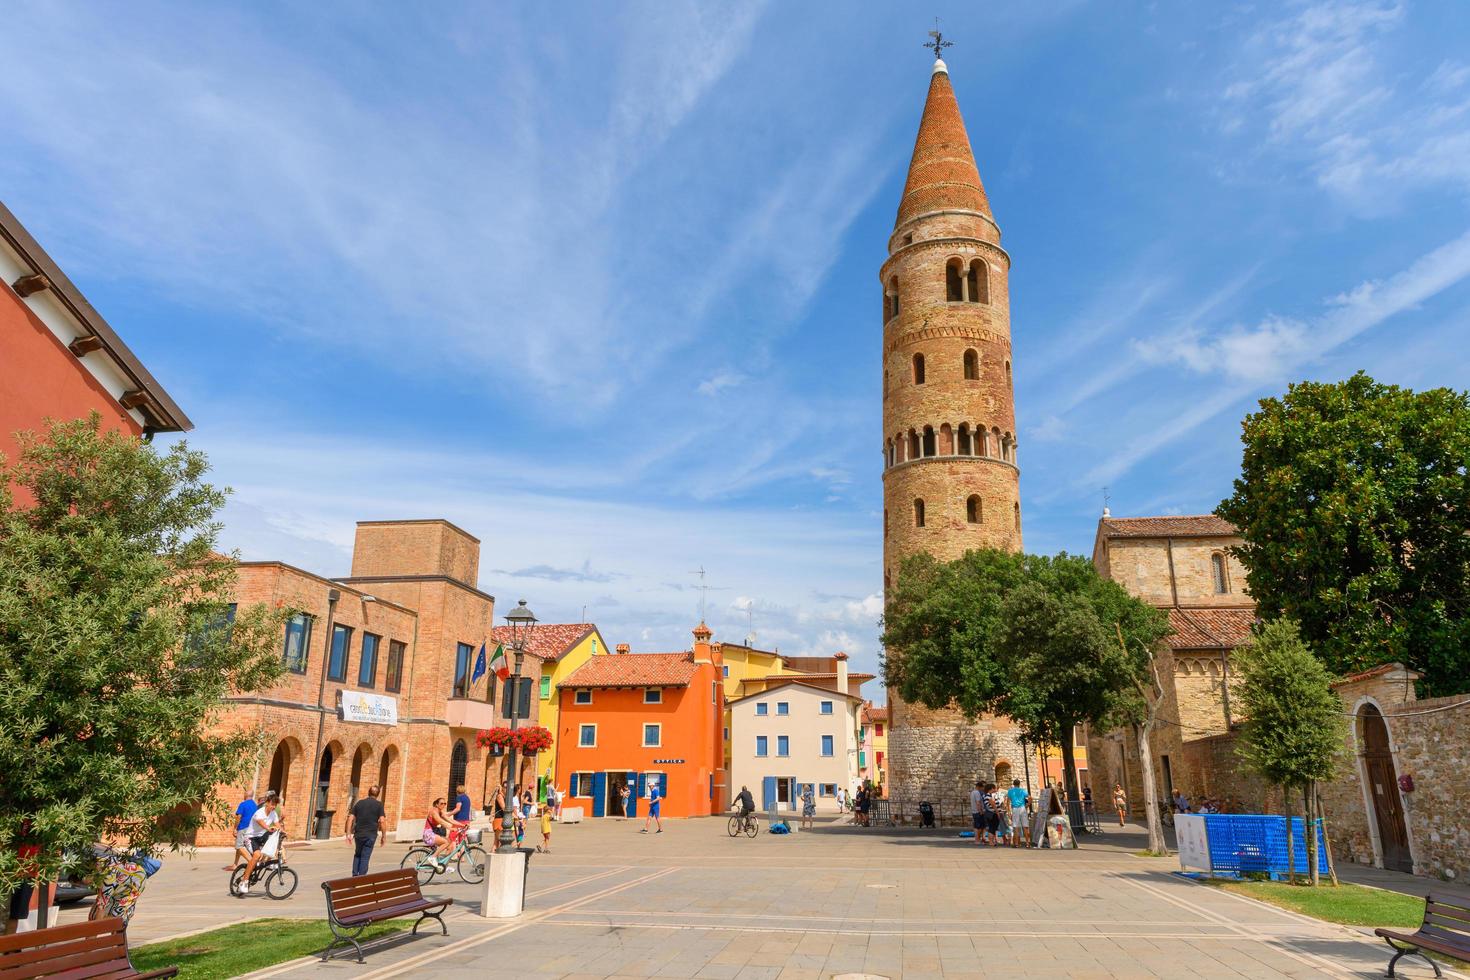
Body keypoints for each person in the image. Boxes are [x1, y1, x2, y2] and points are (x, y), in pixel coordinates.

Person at [235, 792, 281, 896]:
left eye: (275, 805)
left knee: (275, 840)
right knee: (256, 855)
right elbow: (261, 822)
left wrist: (282, 831)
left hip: (261, 837)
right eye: (272, 804)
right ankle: (244, 882)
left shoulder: (273, 813)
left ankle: (269, 862)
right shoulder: (259, 812)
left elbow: (278, 824)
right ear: (267, 803)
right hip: (251, 837)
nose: (273, 807)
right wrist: (269, 828)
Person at [346, 785, 387, 877]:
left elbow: (350, 818)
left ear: (368, 793)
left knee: (357, 854)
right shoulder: (379, 805)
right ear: (378, 794)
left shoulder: (359, 803)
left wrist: (348, 834)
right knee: (365, 857)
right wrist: (384, 836)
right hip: (371, 835)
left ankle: (355, 876)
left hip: (359, 834)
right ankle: (361, 878)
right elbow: (382, 821)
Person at [227, 793, 259, 871]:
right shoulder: (255, 805)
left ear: (245, 795)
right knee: (240, 845)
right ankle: (235, 864)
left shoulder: (243, 804)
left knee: (239, 846)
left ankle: (252, 862)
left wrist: (235, 828)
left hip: (243, 827)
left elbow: (239, 816)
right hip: (251, 828)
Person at [423, 798, 456, 864]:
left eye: (445, 803)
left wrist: (463, 825)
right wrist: (451, 828)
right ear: (436, 804)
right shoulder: (434, 812)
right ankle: (433, 857)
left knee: (451, 846)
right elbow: (441, 822)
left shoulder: (440, 812)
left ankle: (443, 865)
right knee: (446, 842)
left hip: (434, 833)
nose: (443, 805)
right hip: (428, 834)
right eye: (441, 803)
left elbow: (450, 820)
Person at [1007, 779, 1029, 848]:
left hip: (1015, 809)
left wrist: (1009, 811)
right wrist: (1027, 805)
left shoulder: (1010, 791)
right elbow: (1030, 798)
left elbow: (1008, 802)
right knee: (1025, 826)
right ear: (1019, 784)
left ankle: (1016, 844)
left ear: (1013, 784)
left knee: (1015, 827)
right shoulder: (1023, 791)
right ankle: (1027, 843)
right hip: (1022, 808)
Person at [969, 780, 986, 846]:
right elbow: (978, 803)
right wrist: (980, 811)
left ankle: (977, 839)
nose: (983, 789)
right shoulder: (977, 793)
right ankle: (977, 840)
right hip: (977, 811)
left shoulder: (973, 792)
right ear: (979, 787)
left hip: (974, 811)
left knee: (977, 826)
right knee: (978, 826)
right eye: (982, 787)